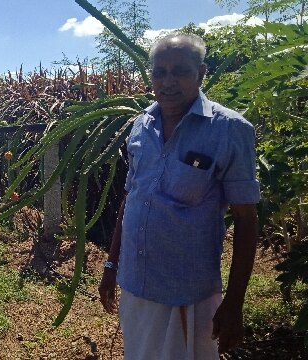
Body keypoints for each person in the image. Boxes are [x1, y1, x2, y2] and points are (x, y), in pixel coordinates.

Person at [98, 32, 260, 359]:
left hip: (186, 295)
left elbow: (246, 220)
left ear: (201, 73)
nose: (168, 81)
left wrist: (234, 303)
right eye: (160, 72)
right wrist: (112, 264)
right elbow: (131, 198)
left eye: (180, 71)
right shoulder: (141, 125)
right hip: (136, 285)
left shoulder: (229, 130)